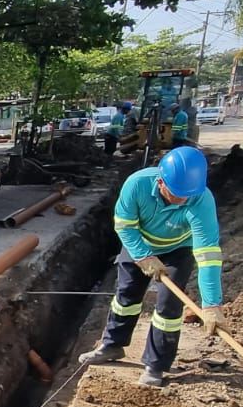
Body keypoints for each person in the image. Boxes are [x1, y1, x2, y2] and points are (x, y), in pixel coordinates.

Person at [78, 145, 224, 388]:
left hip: (178, 250)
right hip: (138, 243)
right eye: (175, 193)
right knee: (126, 296)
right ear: (160, 181)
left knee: (168, 306)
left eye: (185, 195)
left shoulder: (201, 200)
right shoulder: (137, 184)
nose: (180, 199)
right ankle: (112, 345)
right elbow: (125, 225)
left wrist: (212, 304)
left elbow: (208, 255)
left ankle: (156, 365)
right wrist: (143, 256)